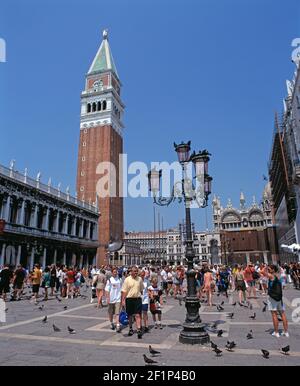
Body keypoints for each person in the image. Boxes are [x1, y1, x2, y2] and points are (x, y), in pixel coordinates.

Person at [265, 264, 289, 338]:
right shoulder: (278, 276)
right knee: (282, 314)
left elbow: (261, 272)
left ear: (273, 270)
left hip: (273, 298)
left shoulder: (271, 276)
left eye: (270, 268)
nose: (268, 269)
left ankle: (276, 332)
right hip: (279, 297)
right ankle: (286, 332)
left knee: (274, 314)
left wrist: (265, 267)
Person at [121, 266, 144, 339]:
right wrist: (123, 300)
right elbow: (124, 291)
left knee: (138, 315)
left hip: (137, 299)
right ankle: (130, 328)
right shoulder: (127, 280)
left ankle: (139, 329)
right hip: (129, 299)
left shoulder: (140, 279)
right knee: (130, 315)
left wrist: (140, 296)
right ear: (131, 272)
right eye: (135, 271)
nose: (136, 272)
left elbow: (141, 289)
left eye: (137, 271)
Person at [105, 267, 122, 332]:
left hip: (118, 298)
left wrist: (122, 298)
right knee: (111, 313)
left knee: (117, 313)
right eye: (114, 272)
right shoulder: (109, 280)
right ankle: (111, 323)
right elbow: (107, 290)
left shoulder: (119, 279)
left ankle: (118, 325)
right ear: (112, 273)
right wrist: (108, 298)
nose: (115, 273)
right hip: (111, 298)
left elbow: (121, 289)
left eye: (116, 272)